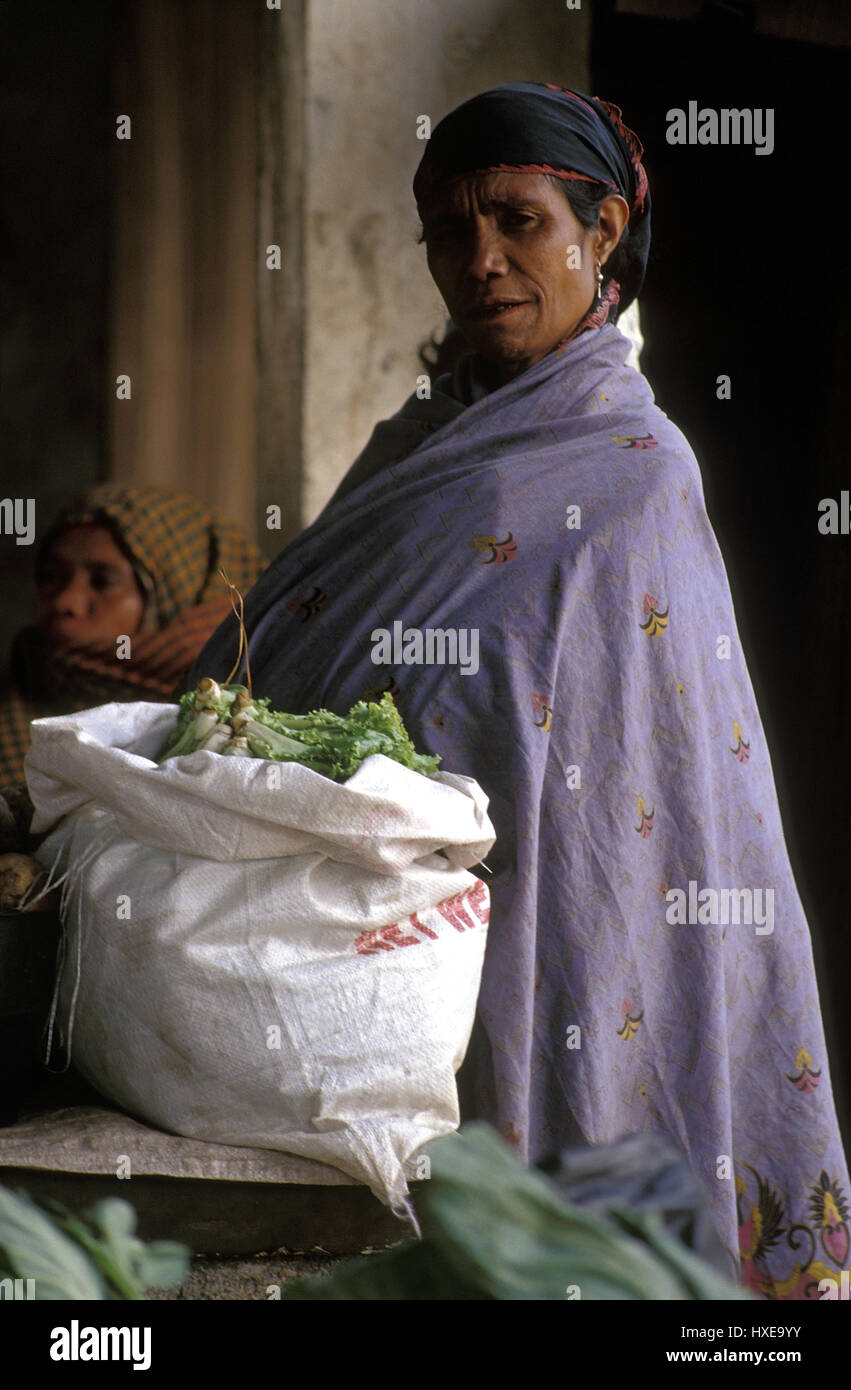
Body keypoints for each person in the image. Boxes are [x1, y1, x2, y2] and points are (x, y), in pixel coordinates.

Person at [189, 84, 849, 1297]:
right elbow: (291, 643)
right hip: (361, 947)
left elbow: (615, 744)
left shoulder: (638, 475)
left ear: (599, 236)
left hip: (556, 910)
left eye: (517, 219)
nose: (479, 259)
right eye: (449, 229)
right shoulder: (414, 448)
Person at [0, 484, 265, 786]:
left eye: (102, 582)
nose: (65, 602)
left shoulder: (247, 726)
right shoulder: (14, 720)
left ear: (178, 596)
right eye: (50, 576)